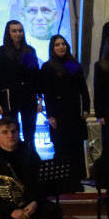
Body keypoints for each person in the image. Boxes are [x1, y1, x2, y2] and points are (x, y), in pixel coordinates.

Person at [39, 34, 90, 174]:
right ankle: (63, 179)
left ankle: (78, 178)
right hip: (59, 113)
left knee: (77, 147)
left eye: (63, 44)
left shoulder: (74, 64)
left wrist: (86, 108)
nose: (61, 47)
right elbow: (47, 94)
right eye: (57, 45)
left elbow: (83, 89)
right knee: (62, 147)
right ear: (52, 48)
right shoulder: (47, 67)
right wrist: (51, 116)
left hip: (75, 111)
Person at [0, 20, 41, 150]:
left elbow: (35, 75)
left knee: (30, 131)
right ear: (8, 33)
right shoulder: (1, 51)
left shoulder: (30, 50)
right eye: (14, 31)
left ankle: (31, 157)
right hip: (9, 97)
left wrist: (39, 99)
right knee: (10, 131)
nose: (18, 34)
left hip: (28, 96)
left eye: (20, 30)